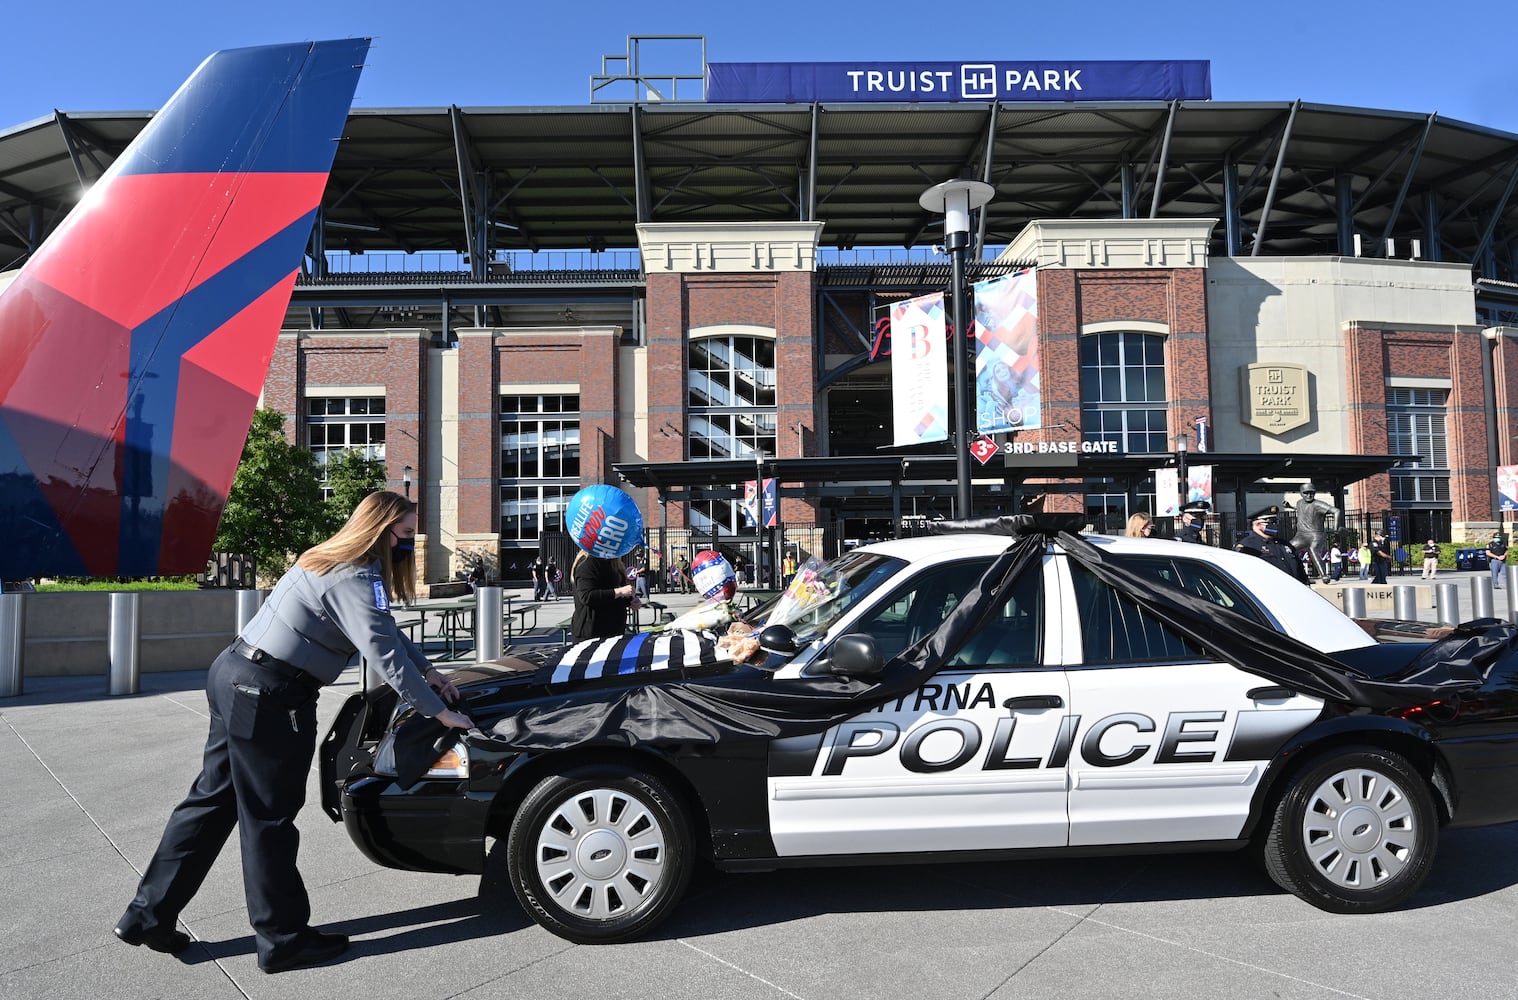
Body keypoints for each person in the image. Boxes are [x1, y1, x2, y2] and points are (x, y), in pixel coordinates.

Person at [115, 491, 471, 974]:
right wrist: (437, 712)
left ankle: (147, 916)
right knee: (269, 818)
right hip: (269, 695)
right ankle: (282, 939)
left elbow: (385, 631)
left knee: (212, 801)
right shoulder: (356, 574)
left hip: (237, 674)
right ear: (381, 529)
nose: (409, 544)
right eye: (406, 535)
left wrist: (429, 671)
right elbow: (382, 653)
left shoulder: (332, 558)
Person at [571, 549, 640, 640]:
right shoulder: (587, 563)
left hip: (614, 629)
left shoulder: (614, 563)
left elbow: (611, 593)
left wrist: (629, 601)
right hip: (592, 631)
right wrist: (620, 591)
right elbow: (587, 596)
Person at [1235, 505, 1308, 582]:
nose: (1275, 525)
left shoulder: (1284, 544)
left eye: (1276, 521)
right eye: (1271, 522)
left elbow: (1300, 571)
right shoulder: (1248, 546)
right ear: (1258, 524)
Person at [1288, 483, 1338, 581]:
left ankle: (1324, 575)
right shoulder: (1299, 503)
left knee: (1313, 550)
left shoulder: (1318, 504)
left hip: (1316, 534)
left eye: (1311, 493)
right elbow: (1299, 509)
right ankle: (1295, 573)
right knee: (1287, 549)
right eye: (1306, 493)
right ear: (1301, 494)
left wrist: (1335, 528)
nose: (1309, 495)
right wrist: (1289, 506)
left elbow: (1336, 511)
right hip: (1301, 535)